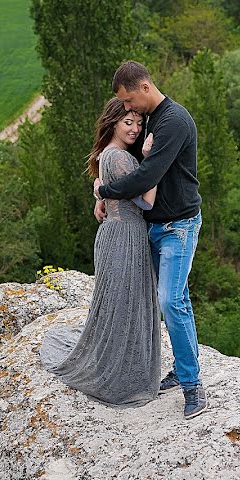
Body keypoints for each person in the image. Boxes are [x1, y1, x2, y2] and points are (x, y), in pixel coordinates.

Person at [93, 60, 208, 420]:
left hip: (179, 226)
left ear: (144, 88)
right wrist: (104, 199)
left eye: (129, 101)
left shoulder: (174, 120)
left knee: (170, 300)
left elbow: (148, 176)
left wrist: (105, 190)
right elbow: (129, 159)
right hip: (154, 227)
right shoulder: (152, 120)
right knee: (178, 299)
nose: (128, 109)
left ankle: (193, 388)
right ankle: (183, 369)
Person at [39, 97, 161, 407]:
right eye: (127, 123)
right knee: (124, 303)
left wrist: (101, 193)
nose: (134, 129)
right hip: (124, 237)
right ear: (112, 123)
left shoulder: (112, 155)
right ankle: (118, 377)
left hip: (121, 234)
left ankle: (122, 368)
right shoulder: (119, 158)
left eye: (138, 123)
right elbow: (146, 202)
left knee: (123, 303)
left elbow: (113, 190)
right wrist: (152, 160)